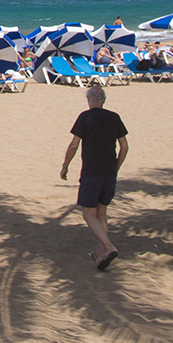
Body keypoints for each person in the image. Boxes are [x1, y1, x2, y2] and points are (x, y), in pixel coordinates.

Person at [60, 85, 129, 270]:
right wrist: (117, 166)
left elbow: (74, 144)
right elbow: (124, 146)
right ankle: (100, 255)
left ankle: (109, 247)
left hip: (92, 172)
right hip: (109, 173)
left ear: (89, 100)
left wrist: (65, 166)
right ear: (103, 100)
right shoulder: (114, 117)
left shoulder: (85, 117)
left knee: (88, 214)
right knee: (102, 214)